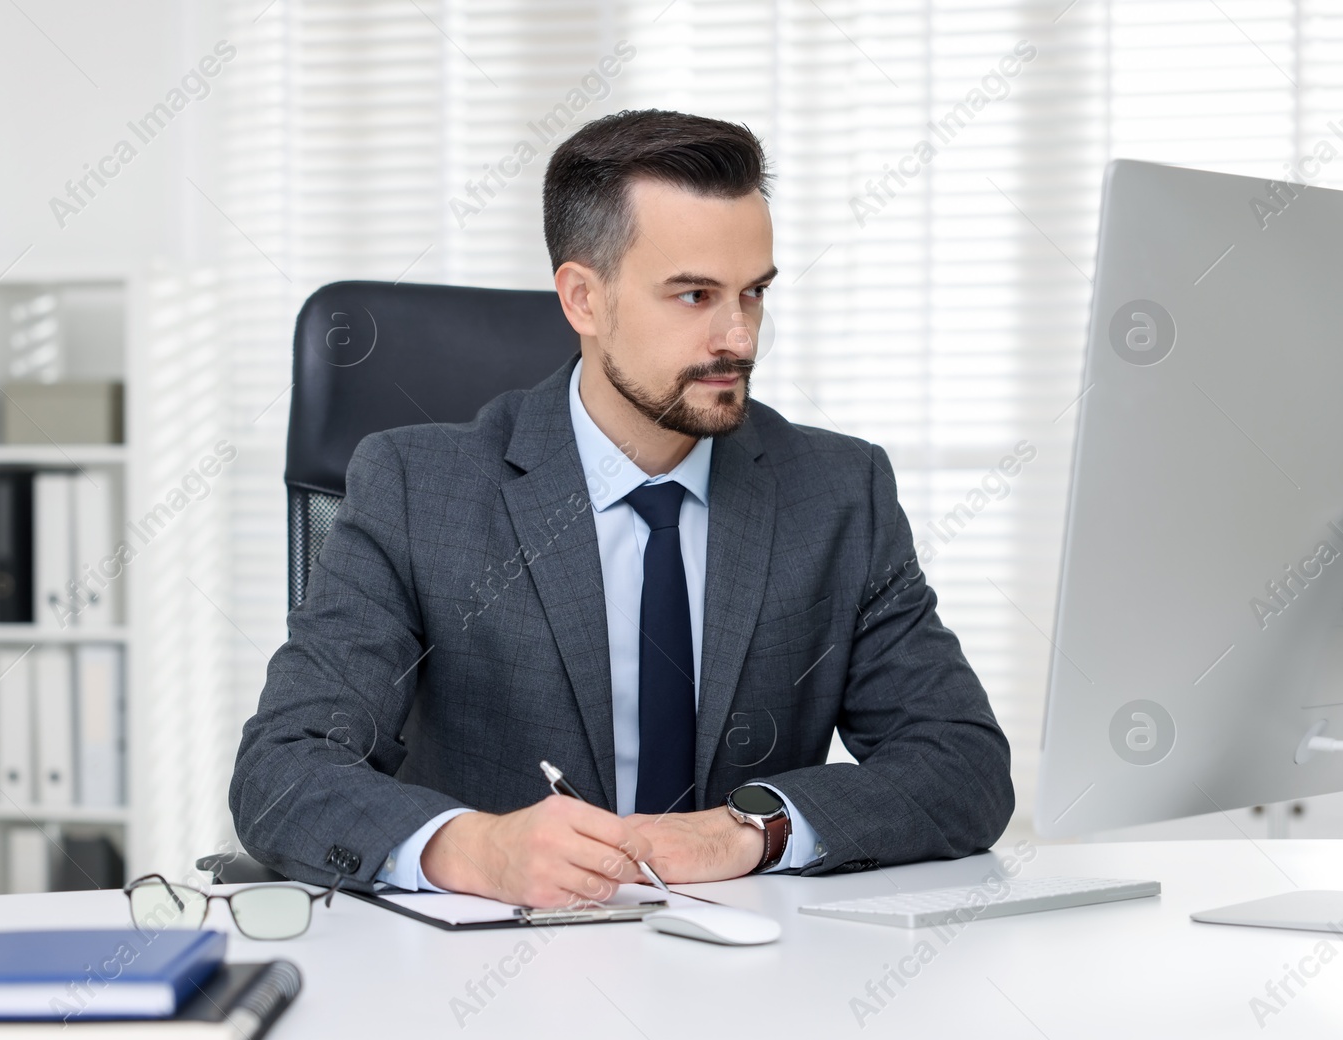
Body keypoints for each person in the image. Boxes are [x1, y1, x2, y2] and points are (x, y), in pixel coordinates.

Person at [232, 109, 1013, 908]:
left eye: (753, 293)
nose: (738, 336)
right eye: (694, 295)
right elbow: (283, 768)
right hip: (499, 978)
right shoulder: (416, 489)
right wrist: (477, 847)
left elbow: (963, 764)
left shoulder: (840, 492)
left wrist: (756, 830)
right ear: (583, 299)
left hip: (762, 978)